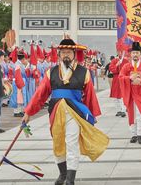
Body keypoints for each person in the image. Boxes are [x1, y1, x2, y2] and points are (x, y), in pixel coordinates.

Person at [22, 37, 109, 185]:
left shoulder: (84, 72)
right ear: (59, 54)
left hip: (74, 112)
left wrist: (91, 116)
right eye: (63, 52)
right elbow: (40, 94)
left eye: (69, 52)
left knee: (71, 143)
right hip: (56, 111)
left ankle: (70, 179)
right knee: (58, 143)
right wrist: (28, 112)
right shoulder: (52, 72)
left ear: (75, 53)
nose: (66, 55)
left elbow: (89, 95)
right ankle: (62, 173)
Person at [9, 50, 29, 117]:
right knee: (17, 97)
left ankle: (19, 110)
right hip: (18, 81)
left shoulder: (19, 64)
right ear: (23, 59)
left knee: (20, 97)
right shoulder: (18, 65)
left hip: (20, 81)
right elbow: (21, 74)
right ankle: (16, 111)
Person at [109, 50, 127, 117]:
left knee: (122, 95)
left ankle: (123, 110)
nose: (119, 53)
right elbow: (111, 69)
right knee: (116, 96)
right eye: (118, 51)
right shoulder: (114, 60)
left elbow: (128, 70)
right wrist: (117, 65)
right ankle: (118, 110)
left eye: (121, 51)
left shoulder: (125, 61)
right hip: (116, 80)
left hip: (123, 79)